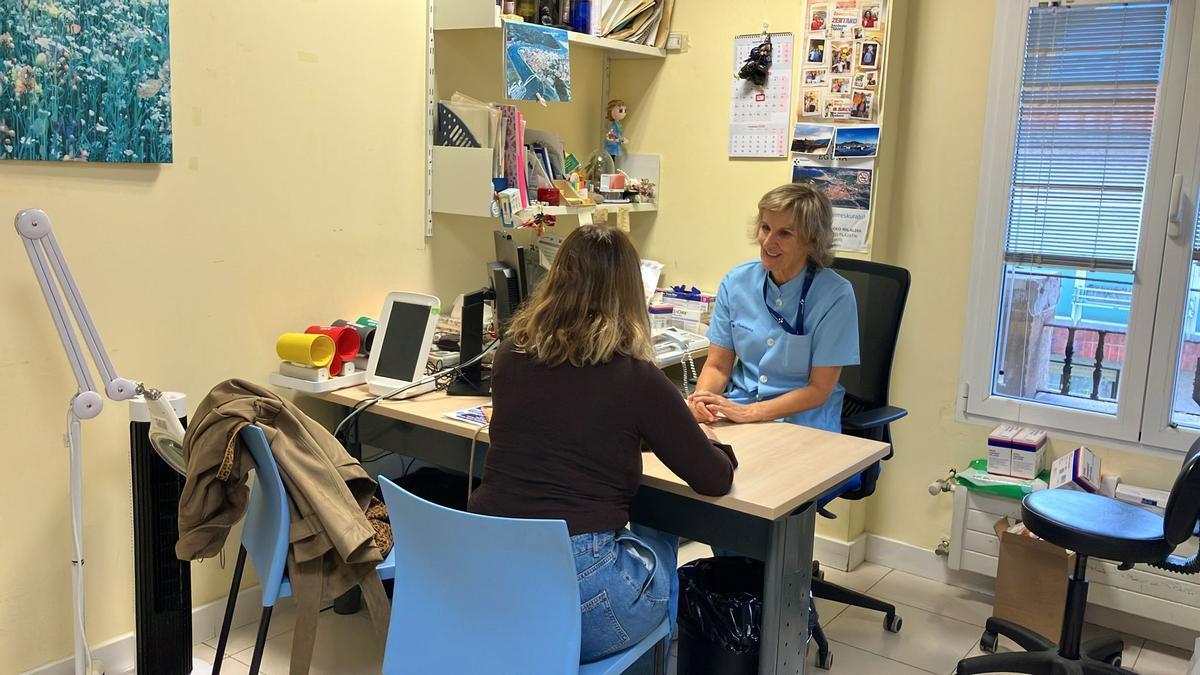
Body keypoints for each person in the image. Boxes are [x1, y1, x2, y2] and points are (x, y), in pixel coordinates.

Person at [468, 225, 738, 664]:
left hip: (488, 579)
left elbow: (568, 423)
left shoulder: (510, 355)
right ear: (629, 293)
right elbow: (713, 480)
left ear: (555, 280)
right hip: (577, 590)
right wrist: (712, 443)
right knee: (660, 547)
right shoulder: (636, 377)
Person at [688, 183, 860, 436]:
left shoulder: (835, 295)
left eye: (785, 233)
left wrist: (750, 413)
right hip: (736, 414)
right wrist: (702, 401)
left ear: (811, 241)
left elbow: (819, 390)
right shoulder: (737, 282)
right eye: (765, 228)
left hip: (803, 424)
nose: (768, 242)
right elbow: (717, 367)